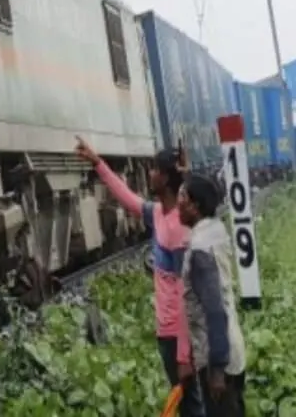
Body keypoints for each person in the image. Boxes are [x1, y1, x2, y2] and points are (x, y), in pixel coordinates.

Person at [75, 138, 205, 417]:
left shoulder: (178, 230)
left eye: (155, 169)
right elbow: (127, 198)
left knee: (191, 405)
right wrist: (98, 164)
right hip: (167, 330)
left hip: (177, 335)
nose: (149, 173)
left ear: (167, 178)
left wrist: (184, 355)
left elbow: (187, 294)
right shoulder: (159, 213)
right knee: (187, 402)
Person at [178, 173, 247, 417]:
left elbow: (214, 310)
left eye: (182, 196)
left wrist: (216, 370)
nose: (178, 203)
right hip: (230, 350)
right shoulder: (214, 232)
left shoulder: (200, 249)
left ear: (195, 206)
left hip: (220, 360)